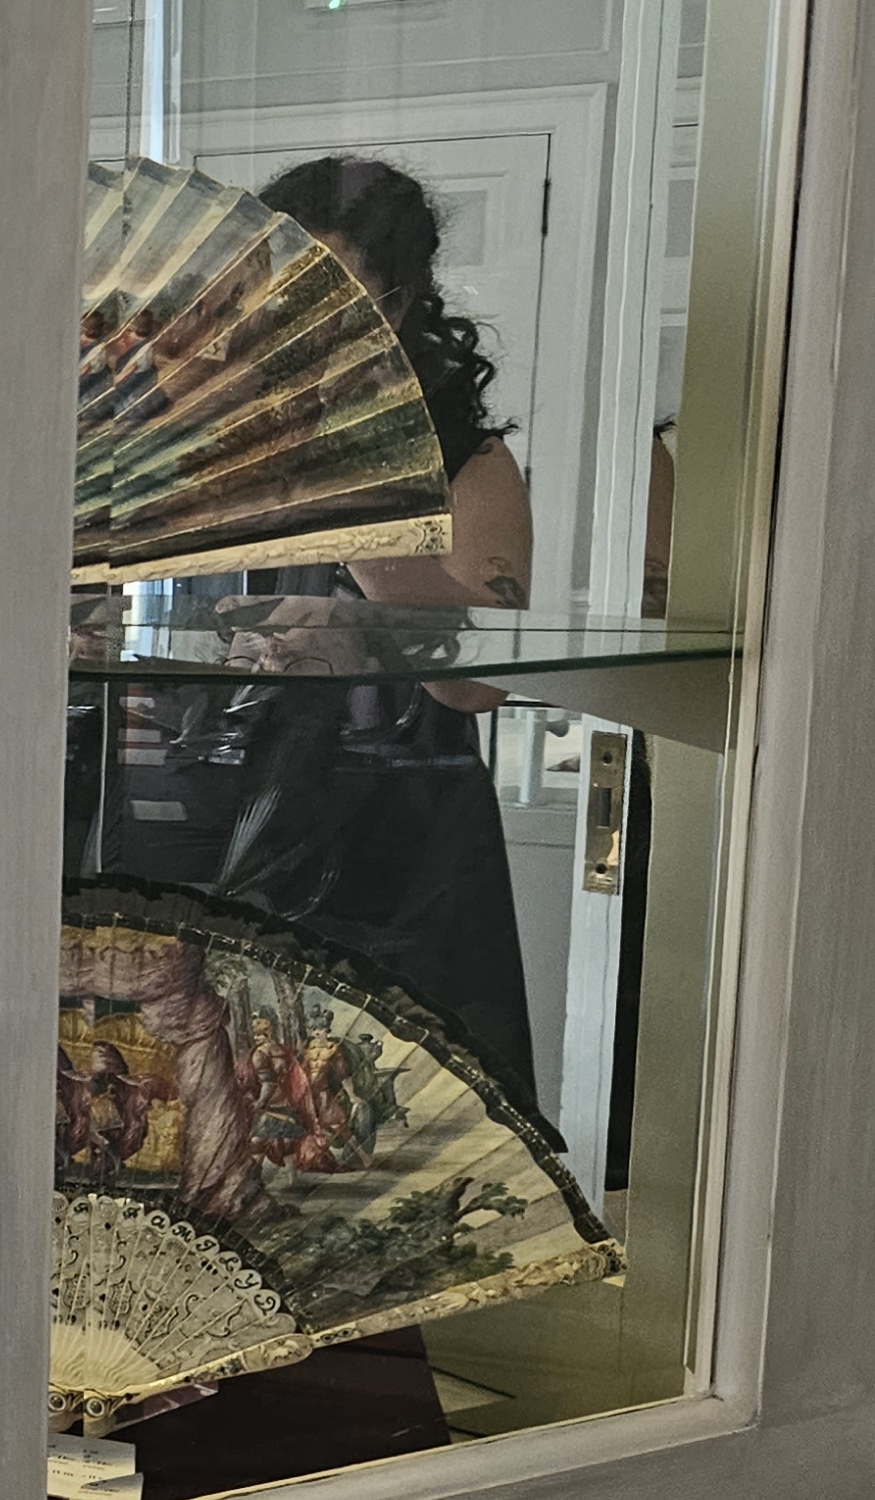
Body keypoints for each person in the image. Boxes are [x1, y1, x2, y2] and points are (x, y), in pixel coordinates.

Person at [82, 154, 543, 1108]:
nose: (291, 320)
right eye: (274, 285)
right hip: (187, 827)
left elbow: (477, 684)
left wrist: (349, 493)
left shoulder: (465, 458)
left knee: (359, 1129)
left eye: (329, 292)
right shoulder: (177, 437)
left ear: (393, 306)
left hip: (382, 850)